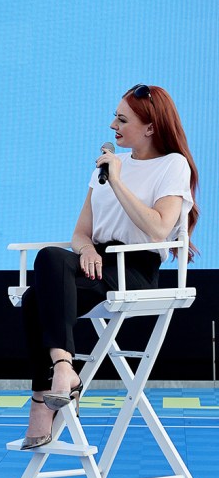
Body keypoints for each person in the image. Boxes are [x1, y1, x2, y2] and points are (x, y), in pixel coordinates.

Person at [20, 84, 198, 449]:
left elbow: (159, 228)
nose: (112, 125)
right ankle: (65, 368)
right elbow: (80, 233)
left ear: (150, 127)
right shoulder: (106, 167)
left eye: (122, 118)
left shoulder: (171, 165)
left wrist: (116, 179)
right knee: (49, 260)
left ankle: (42, 397)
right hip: (99, 261)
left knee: (37, 298)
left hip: (134, 268)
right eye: (114, 116)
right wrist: (86, 251)